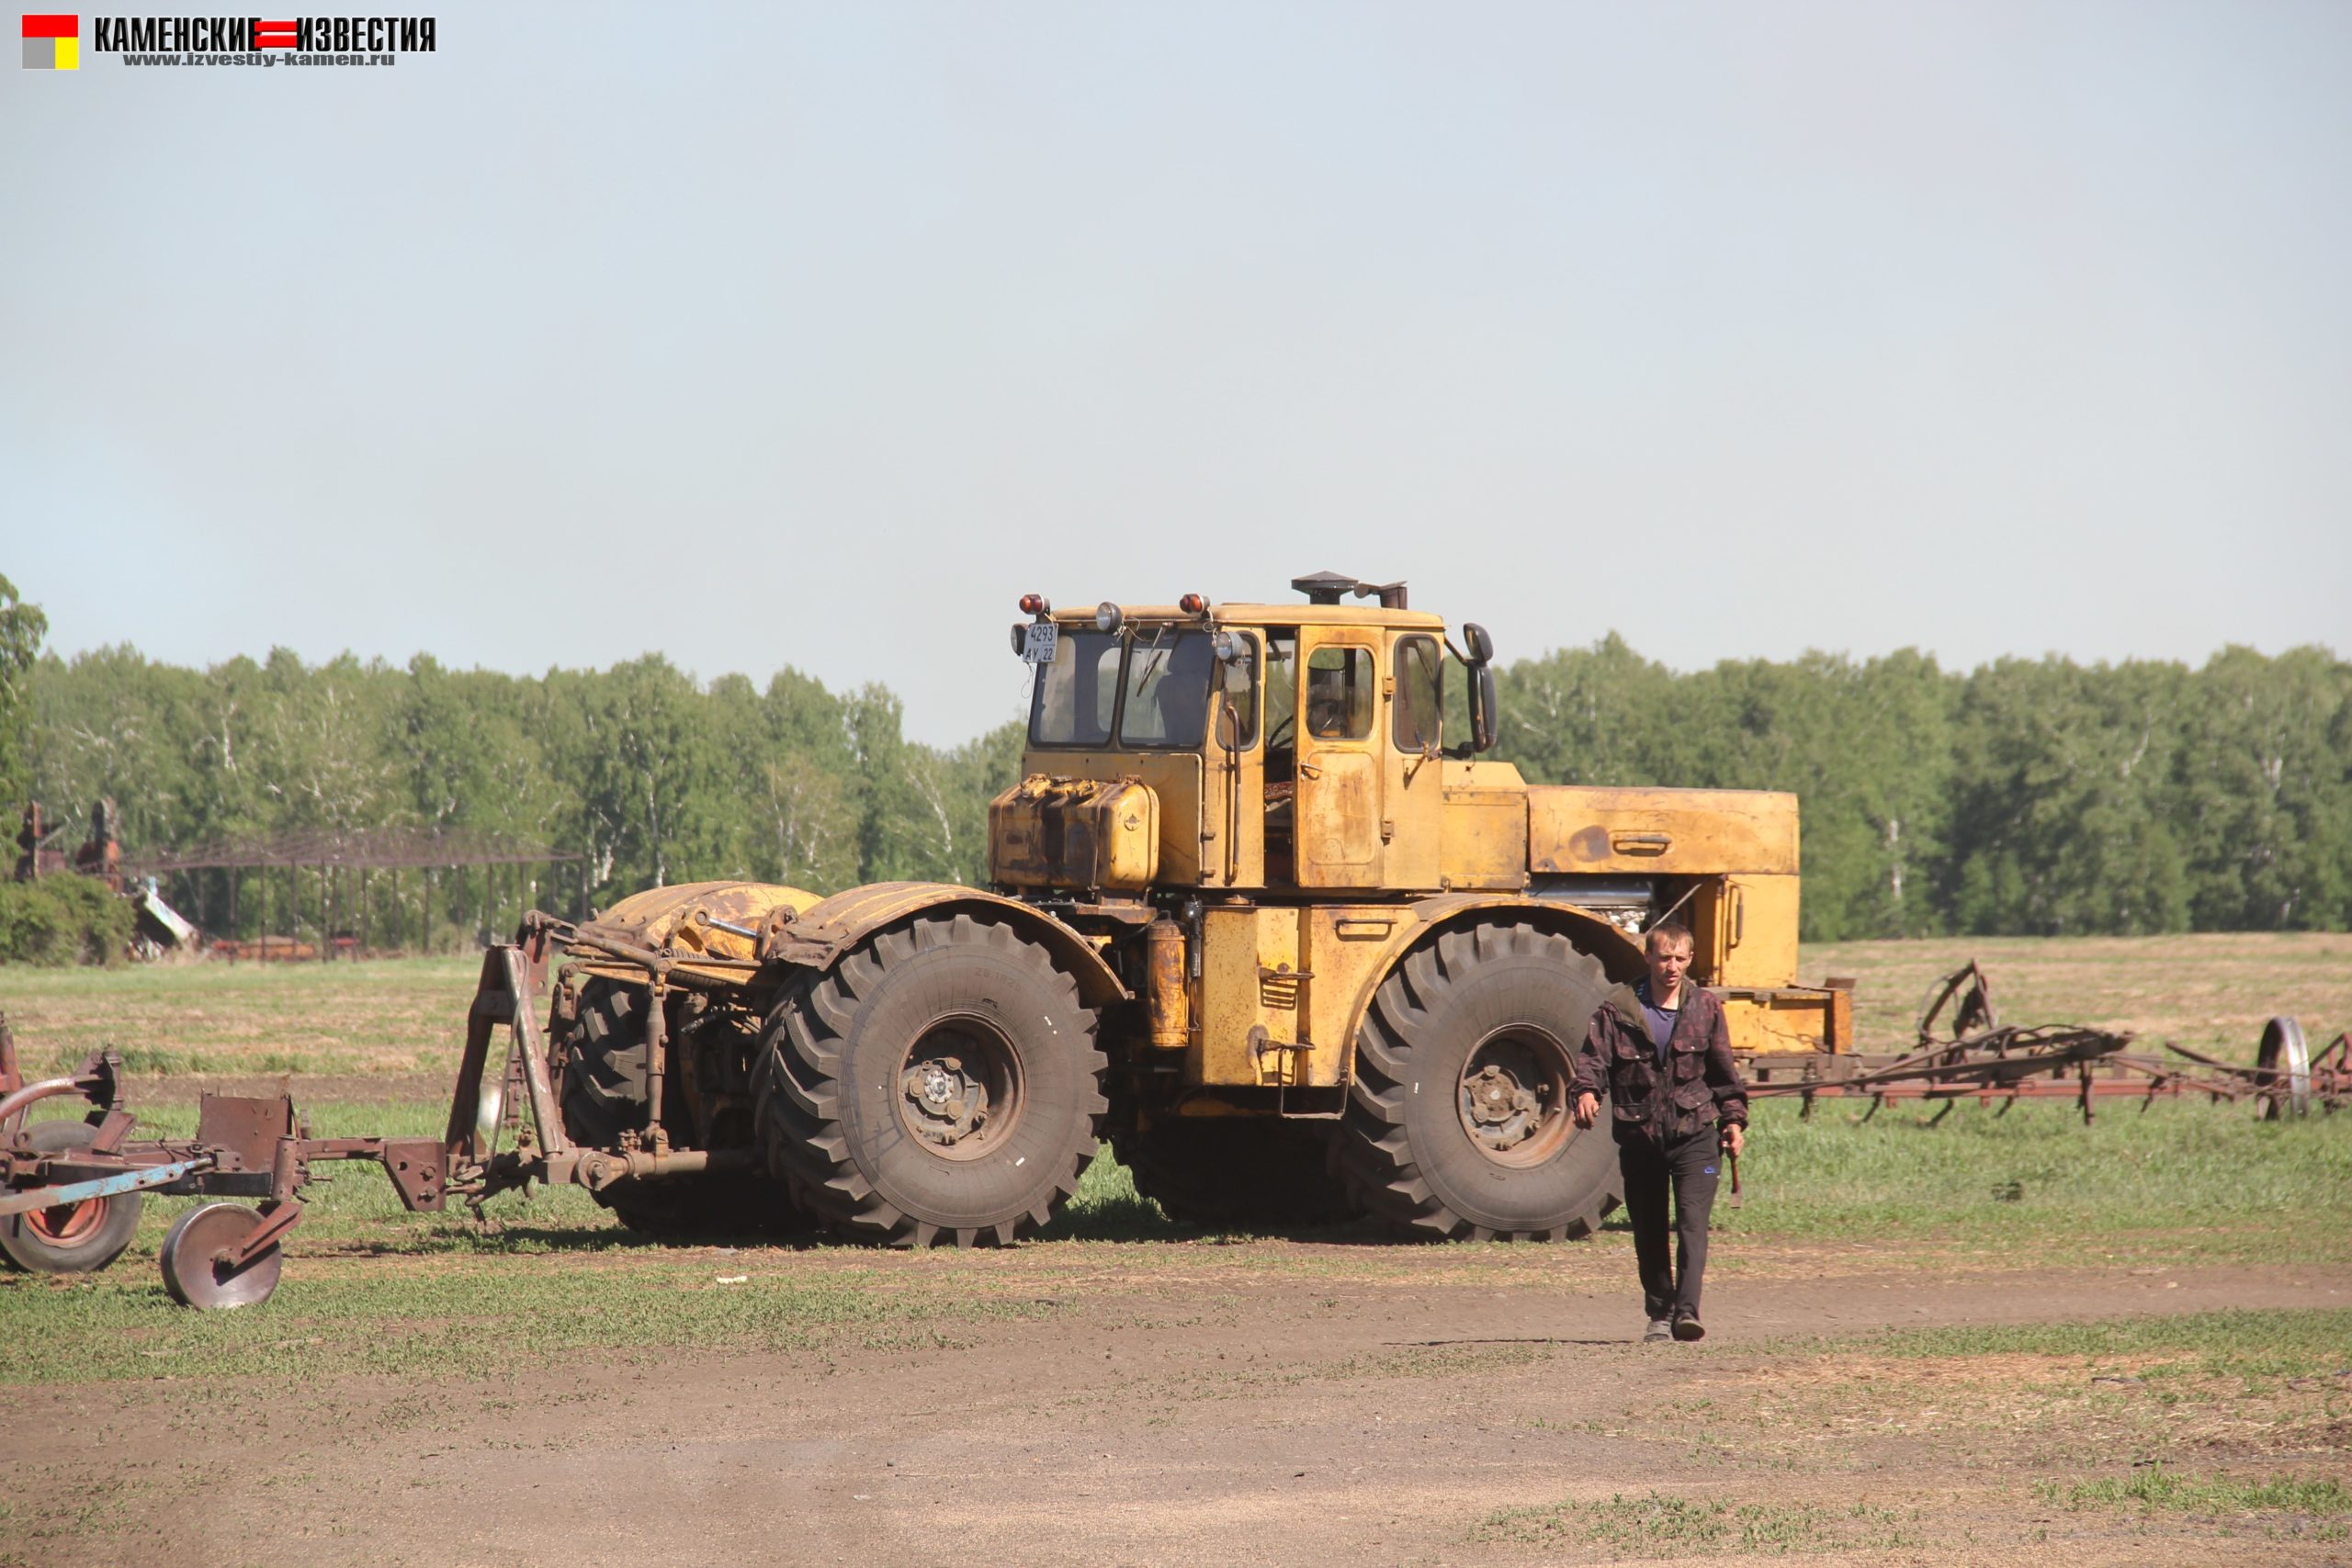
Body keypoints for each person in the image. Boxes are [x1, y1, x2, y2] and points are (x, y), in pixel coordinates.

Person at [1571, 920, 1748, 1343]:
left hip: (1696, 1136)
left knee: (1691, 1226)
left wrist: (1734, 1120)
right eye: (1664, 957)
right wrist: (1586, 1093)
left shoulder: (1705, 1008)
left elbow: (1724, 1073)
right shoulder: (1617, 1009)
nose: (1671, 967)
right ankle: (1659, 1313)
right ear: (1648, 957)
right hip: (1640, 1139)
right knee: (1649, 1230)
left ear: (1690, 960)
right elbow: (1592, 1062)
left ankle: (1687, 1313)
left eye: (1680, 959)